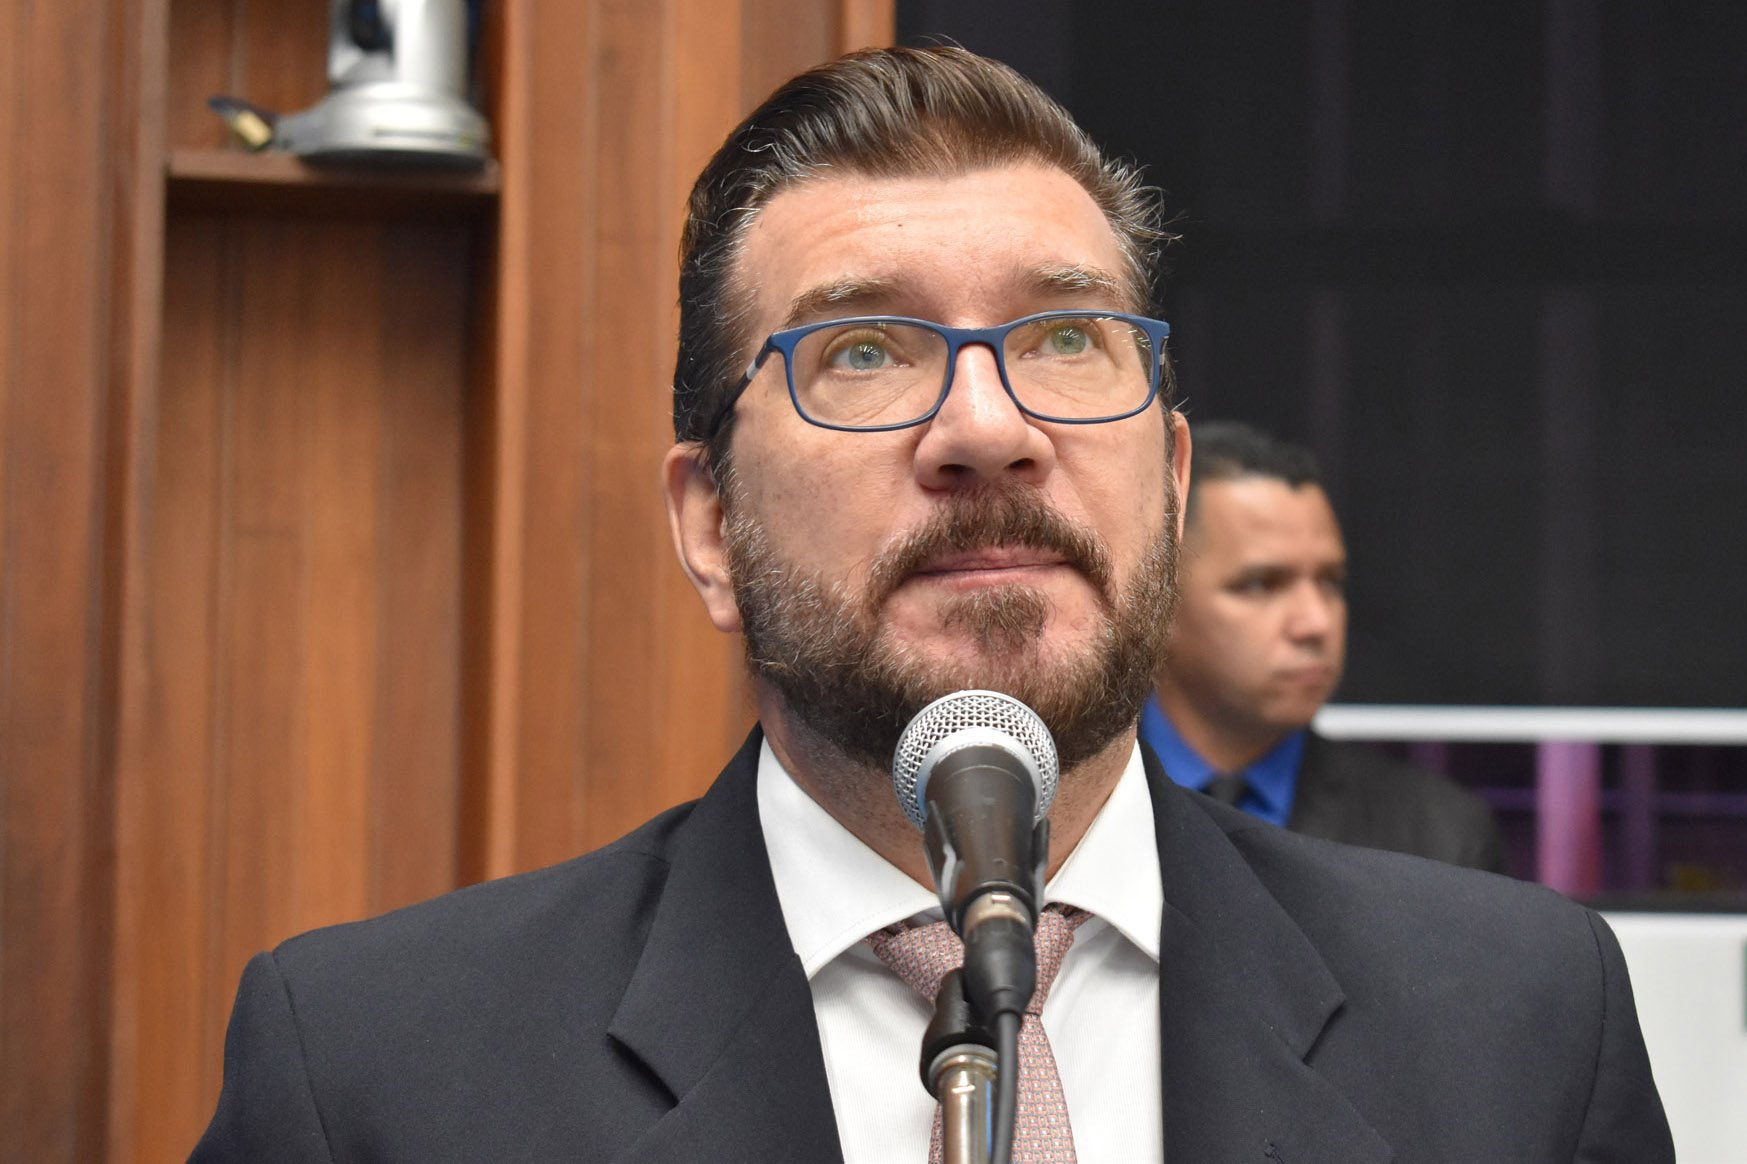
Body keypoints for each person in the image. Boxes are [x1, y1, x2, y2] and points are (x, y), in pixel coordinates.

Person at [192, 46, 1670, 1162]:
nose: (986, 427)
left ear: (1166, 481)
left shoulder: (1518, 1026)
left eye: (1066, 337)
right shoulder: (372, 1075)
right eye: (863, 352)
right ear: (711, 527)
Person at [1142, 420, 1508, 871]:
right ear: (1157, 597)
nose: (1316, 623)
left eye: (1330, 582)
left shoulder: (1437, 836)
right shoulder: (1068, 803)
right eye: (1261, 584)